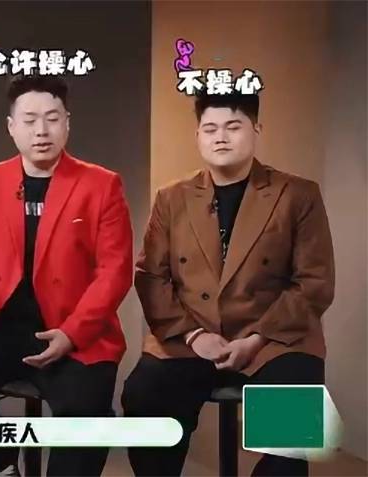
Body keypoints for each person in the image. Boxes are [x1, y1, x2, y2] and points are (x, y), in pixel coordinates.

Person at [0, 75, 133, 477]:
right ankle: (3, 465)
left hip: (75, 332)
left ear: (67, 123)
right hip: (1, 326)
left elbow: (114, 271)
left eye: (52, 118)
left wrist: (71, 334)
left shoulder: (101, 185)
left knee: (85, 412)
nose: (41, 130)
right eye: (30, 120)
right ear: (11, 126)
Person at [122, 91, 335, 477]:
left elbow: (314, 281)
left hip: (276, 341)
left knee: (289, 436)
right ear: (198, 136)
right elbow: (151, 276)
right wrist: (193, 336)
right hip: (189, 337)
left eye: (233, 127)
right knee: (144, 397)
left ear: (256, 130)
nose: (220, 137)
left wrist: (256, 338)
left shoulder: (298, 194)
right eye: (210, 129)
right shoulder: (172, 198)